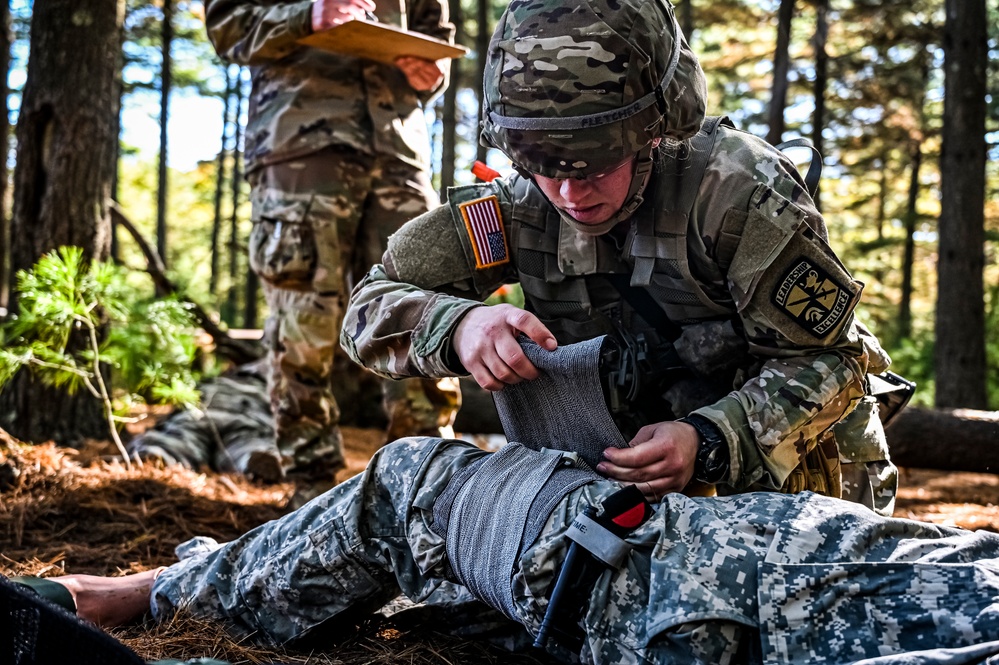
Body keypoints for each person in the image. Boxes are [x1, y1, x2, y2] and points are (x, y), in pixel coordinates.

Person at [341, 0, 897, 513]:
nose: (569, 194)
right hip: (620, 478)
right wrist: (459, 325)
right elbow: (368, 305)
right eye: (546, 166)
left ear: (654, 132)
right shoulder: (516, 208)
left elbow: (835, 361)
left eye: (597, 165)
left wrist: (709, 438)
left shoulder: (736, 193)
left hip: (793, 473)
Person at [35, 435, 999, 664]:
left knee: (410, 483)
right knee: (415, 496)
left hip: (639, 572)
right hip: (653, 532)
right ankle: (157, 587)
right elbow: (390, 298)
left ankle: (133, 597)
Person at [203, 0, 460, 489]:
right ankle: (310, 486)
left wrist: (432, 74)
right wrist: (307, 15)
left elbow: (435, 32)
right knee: (304, 316)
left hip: (398, 147)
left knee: (424, 300)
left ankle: (431, 483)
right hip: (301, 144)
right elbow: (226, 25)